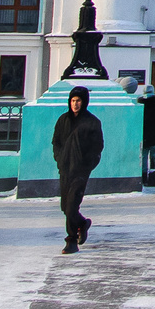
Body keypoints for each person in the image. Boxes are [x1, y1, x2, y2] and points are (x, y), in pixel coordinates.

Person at [52, 85, 104, 253]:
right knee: (65, 207)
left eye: (78, 101)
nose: (75, 104)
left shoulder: (92, 122)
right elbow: (56, 142)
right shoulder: (63, 120)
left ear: (84, 102)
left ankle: (71, 240)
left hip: (81, 171)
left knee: (71, 206)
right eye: (73, 100)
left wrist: (87, 164)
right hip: (65, 169)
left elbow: (97, 147)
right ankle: (82, 223)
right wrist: (59, 159)